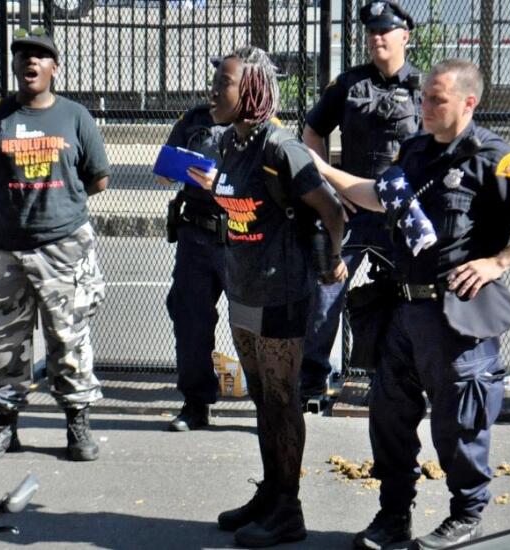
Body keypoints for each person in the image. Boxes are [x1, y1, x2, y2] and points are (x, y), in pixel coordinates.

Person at [309, 59, 510, 549]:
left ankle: (466, 516)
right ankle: (393, 516)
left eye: (436, 100)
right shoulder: (417, 150)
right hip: (403, 313)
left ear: (468, 103)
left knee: (458, 426)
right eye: (423, 97)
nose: (423, 107)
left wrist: (498, 262)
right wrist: (324, 169)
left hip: (457, 318)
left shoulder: (492, 157)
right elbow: (379, 197)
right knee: (389, 418)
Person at [189, 46, 346, 547]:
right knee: (261, 400)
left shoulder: (282, 148)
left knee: (282, 402)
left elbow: (333, 210)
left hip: (281, 292)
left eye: (225, 82)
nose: (214, 89)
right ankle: (271, 492)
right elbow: (236, 205)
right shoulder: (230, 145)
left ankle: (289, 511)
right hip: (242, 288)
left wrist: (332, 261)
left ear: (253, 90)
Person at [0, 29, 109, 461]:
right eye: (24, 56)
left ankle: (77, 427)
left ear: (54, 68)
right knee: (4, 341)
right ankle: (5, 428)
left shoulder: (75, 116)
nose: (31, 62)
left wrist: (56, 205)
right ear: (15, 66)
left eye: (41, 56)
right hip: (1, 249)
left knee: (68, 340)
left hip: (63, 247)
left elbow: (98, 178)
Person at [300, 0, 422, 399]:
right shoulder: (350, 84)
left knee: (411, 294)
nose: (376, 37)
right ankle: (313, 380)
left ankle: (406, 374)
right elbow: (311, 133)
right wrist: (331, 185)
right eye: (371, 31)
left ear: (405, 35)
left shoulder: (424, 88)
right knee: (325, 291)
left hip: (398, 214)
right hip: (352, 210)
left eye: (384, 30)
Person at [158, 96, 228, 432]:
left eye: (225, 82)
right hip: (196, 235)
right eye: (215, 81)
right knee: (190, 320)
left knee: (255, 327)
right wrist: (179, 168)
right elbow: (162, 174)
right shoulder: (194, 119)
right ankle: (196, 403)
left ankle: (269, 405)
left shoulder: (260, 125)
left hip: (241, 237)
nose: (216, 90)